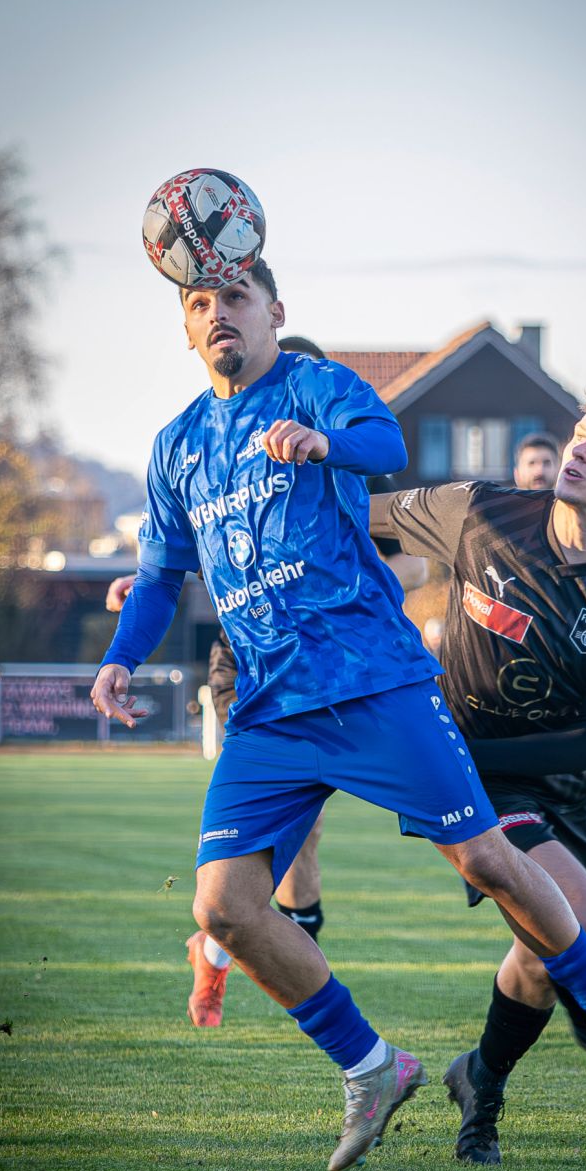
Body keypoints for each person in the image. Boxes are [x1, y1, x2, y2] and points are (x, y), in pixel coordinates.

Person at [91, 262, 586, 1171]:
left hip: (375, 682)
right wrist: (121, 656)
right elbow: (166, 572)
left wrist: (322, 445)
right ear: (185, 325)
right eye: (199, 303)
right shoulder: (176, 446)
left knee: (488, 860)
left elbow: (382, 442)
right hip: (269, 706)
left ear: (274, 311)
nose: (218, 314)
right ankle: (372, 1067)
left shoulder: (317, 385)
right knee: (224, 908)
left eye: (236, 297)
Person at [370, 387, 586, 1165]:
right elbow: (356, 513)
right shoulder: (481, 511)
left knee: (543, 958)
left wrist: (465, 759)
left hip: (553, 780)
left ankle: (480, 1079)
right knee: (584, 923)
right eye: (582, 434)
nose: (580, 449)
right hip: (466, 777)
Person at [104, 338, 426, 1029]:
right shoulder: (214, 454)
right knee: (298, 827)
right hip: (249, 666)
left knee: (301, 835)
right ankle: (262, 948)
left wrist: (346, 583)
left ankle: (223, 946)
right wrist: (145, 590)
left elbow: (418, 567)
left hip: (346, 665)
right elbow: (199, 556)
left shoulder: (339, 462)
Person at [514, 433, 586, 831]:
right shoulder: (502, 525)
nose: (540, 470)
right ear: (517, 471)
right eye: (532, 463)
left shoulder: (583, 525)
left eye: (547, 462)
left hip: (577, 657)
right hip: (518, 667)